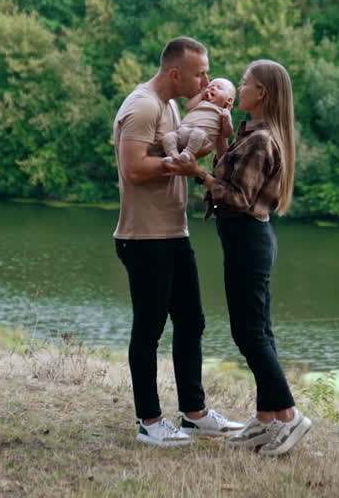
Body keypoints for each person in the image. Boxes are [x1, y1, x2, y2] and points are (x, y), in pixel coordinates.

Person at [111, 36, 244, 446]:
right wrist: (178, 166)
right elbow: (134, 170)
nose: (206, 81)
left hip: (173, 232)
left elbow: (181, 158)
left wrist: (209, 146)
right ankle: (150, 422)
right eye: (200, 73)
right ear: (175, 74)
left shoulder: (169, 106)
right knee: (149, 328)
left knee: (191, 321)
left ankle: (194, 414)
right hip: (144, 236)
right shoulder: (143, 106)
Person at [180, 59, 313, 457]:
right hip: (247, 240)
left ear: (262, 93)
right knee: (258, 330)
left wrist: (196, 172)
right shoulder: (252, 133)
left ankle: (289, 415)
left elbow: (237, 197)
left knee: (249, 332)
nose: (239, 88)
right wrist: (223, 142)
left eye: (244, 83)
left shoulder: (260, 140)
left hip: (248, 241)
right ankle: (266, 417)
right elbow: (232, 176)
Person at [160, 78, 235, 164]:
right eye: (209, 87)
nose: (212, 88)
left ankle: (187, 153)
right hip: (182, 131)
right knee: (168, 136)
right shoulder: (200, 103)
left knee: (198, 134)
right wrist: (200, 95)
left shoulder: (223, 112)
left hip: (202, 136)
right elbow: (188, 107)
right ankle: (173, 156)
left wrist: (226, 121)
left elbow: (227, 134)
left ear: (229, 101)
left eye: (219, 87)